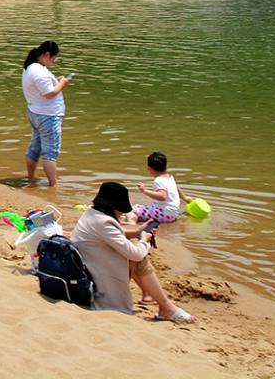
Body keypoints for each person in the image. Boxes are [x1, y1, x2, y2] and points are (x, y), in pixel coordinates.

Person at [70, 182, 194, 321]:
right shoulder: (103, 222)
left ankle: (154, 298)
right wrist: (145, 240)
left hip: (87, 268)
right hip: (94, 279)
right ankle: (166, 307)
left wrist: (140, 231)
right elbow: (135, 254)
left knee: (134, 252)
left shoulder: (92, 213)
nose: (122, 213)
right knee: (138, 258)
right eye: (121, 209)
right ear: (113, 207)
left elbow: (117, 232)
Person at [22, 40, 75, 188]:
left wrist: (57, 82)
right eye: (54, 57)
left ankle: (31, 178)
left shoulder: (30, 67)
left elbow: (42, 88)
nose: (55, 60)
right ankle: (53, 185)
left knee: (34, 148)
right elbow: (49, 93)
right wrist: (63, 83)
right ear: (46, 55)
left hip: (35, 112)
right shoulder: (39, 72)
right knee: (50, 153)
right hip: (48, 116)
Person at [132, 152, 184, 227]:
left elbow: (162, 196)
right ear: (166, 166)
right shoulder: (170, 177)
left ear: (149, 169)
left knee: (133, 210)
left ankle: (132, 226)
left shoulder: (158, 180)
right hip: (173, 214)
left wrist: (144, 191)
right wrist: (185, 198)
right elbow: (177, 188)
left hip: (163, 214)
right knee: (140, 207)